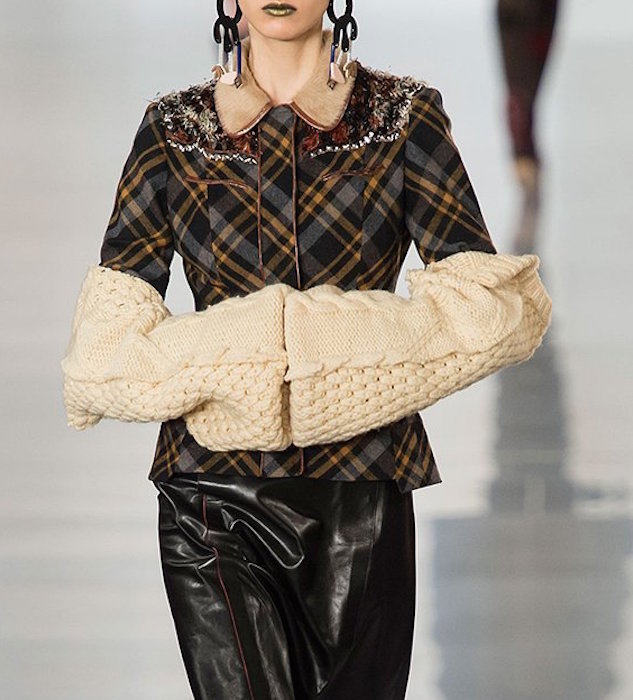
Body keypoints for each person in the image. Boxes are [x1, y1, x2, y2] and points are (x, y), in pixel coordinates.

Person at [60, 1, 552, 698]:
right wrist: (266, 346)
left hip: (363, 500)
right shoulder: (173, 131)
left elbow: (493, 313)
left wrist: (309, 349)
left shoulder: (401, 118)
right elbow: (101, 353)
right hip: (211, 499)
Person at [495, 0, 560, 195]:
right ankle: (523, 157)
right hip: (518, 15)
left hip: (537, 13)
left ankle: (525, 157)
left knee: (525, 93)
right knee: (520, 93)